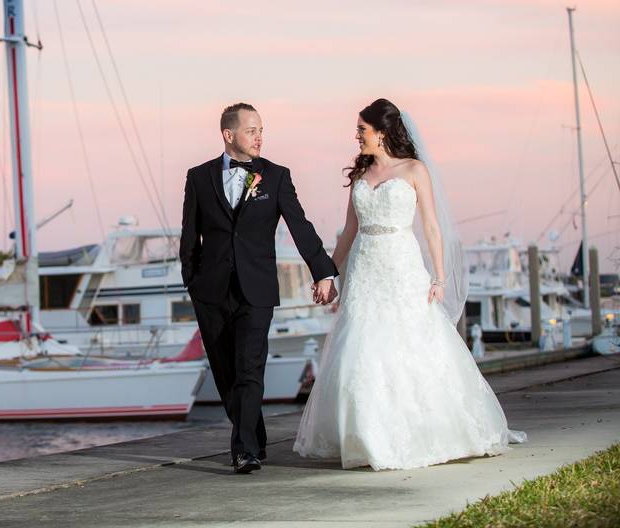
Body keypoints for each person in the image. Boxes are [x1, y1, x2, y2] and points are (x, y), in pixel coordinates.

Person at [294, 98, 525, 470]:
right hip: (366, 268)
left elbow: (432, 225)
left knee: (410, 342)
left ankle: (423, 429)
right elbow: (349, 232)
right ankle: (367, 437)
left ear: (381, 132)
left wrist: (439, 275)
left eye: (361, 130)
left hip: (401, 265)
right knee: (361, 345)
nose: (357, 136)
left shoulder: (415, 170)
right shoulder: (359, 175)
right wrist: (328, 273)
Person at [180, 102, 338, 474]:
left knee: (250, 369)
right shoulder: (199, 177)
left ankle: (244, 451)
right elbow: (190, 238)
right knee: (226, 375)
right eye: (252, 131)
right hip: (211, 291)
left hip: (257, 290)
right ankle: (255, 436)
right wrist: (193, 283)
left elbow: (300, 226)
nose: (259, 137)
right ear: (228, 135)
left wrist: (324, 272)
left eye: (261, 130)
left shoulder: (277, 176)